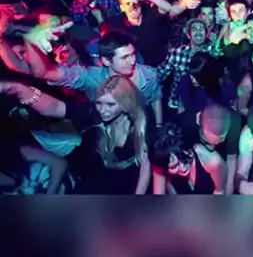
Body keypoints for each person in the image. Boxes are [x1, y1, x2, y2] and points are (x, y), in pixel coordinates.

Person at [0, 76, 151, 194]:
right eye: (99, 103)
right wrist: (19, 89)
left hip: (126, 188)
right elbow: (55, 108)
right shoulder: (94, 115)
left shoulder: (141, 122)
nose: (103, 110)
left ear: (125, 103)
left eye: (110, 105)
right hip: (94, 186)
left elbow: (146, 166)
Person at [1, 23, 163, 124]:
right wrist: (32, 39)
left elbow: (156, 98)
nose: (133, 61)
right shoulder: (91, 78)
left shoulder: (148, 74)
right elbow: (45, 72)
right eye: (125, 57)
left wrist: (159, 125)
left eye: (133, 54)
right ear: (106, 61)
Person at [151, 122, 225, 194]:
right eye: (174, 166)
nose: (183, 168)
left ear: (187, 149)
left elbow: (220, 192)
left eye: (184, 159)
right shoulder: (160, 164)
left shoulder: (211, 160)